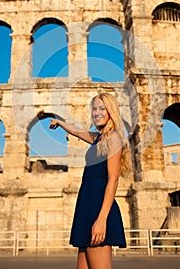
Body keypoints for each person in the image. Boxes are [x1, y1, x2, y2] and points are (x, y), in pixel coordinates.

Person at [49, 92, 131, 269]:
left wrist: (101, 220)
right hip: (87, 206)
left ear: (111, 111)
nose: (97, 112)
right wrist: (61, 123)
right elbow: (79, 132)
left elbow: (113, 179)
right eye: (94, 109)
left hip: (97, 208)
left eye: (102, 108)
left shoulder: (113, 138)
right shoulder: (99, 138)